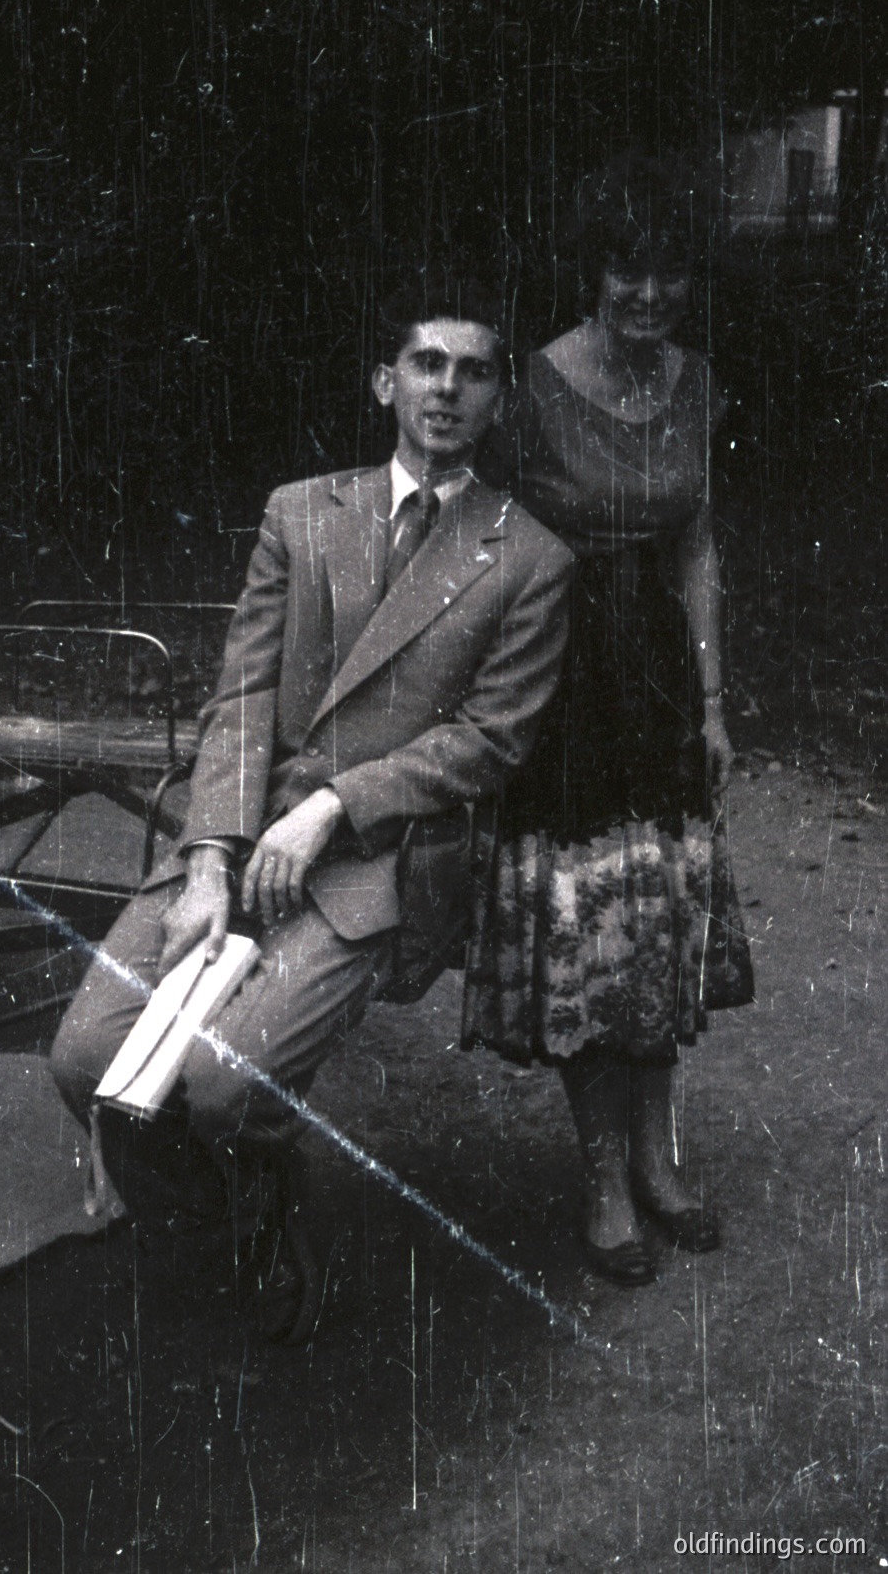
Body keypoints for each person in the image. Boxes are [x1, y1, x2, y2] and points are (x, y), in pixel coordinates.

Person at [51, 280, 573, 1340]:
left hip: (379, 859)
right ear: (386, 383)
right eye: (427, 363)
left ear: (499, 402)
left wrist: (335, 803)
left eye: (475, 372)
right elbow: (243, 693)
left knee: (224, 1086)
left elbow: (491, 739)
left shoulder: (529, 557)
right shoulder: (300, 512)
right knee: (85, 1058)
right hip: (240, 835)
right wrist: (209, 858)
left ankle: (259, 1206)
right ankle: (218, 1214)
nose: (448, 388)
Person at [466, 153, 746, 1286]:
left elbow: (697, 545)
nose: (648, 294)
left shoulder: (696, 381)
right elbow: (479, 545)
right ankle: (601, 1180)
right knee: (591, 926)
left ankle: (657, 1163)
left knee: (660, 915)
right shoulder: (528, 389)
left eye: (670, 272)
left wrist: (714, 703)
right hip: (563, 677)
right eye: (627, 271)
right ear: (592, 273)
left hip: (661, 684)